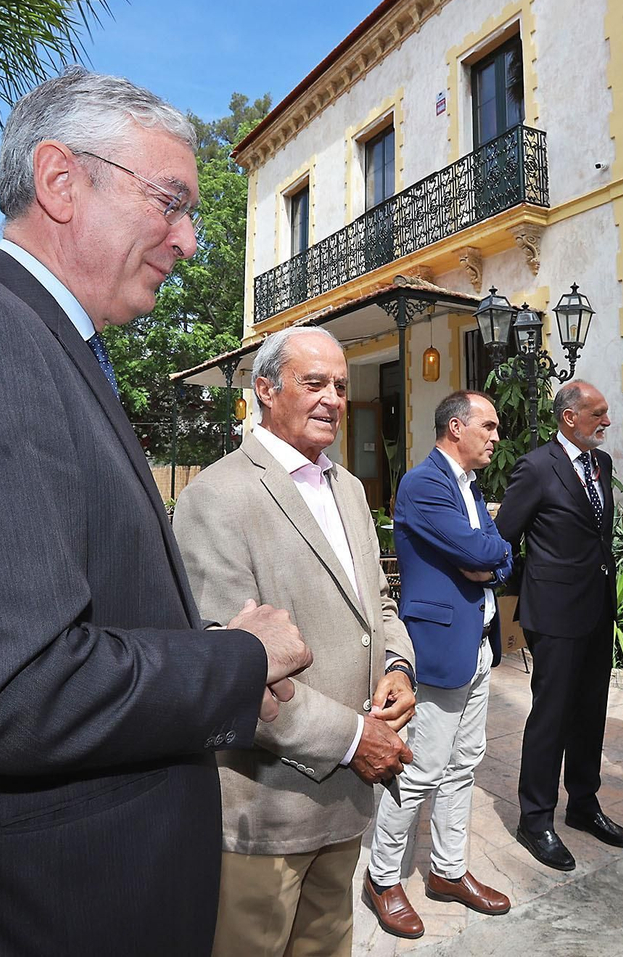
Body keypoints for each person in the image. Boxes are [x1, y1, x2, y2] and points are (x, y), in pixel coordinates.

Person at [0, 69, 312, 955]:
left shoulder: (43, 345)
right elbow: (14, 691)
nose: (190, 239)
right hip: (22, 916)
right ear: (60, 180)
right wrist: (237, 660)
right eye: (171, 202)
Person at [173, 325, 417, 956]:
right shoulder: (216, 496)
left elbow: (377, 602)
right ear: (265, 389)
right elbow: (230, 672)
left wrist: (398, 666)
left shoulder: (349, 488)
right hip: (267, 811)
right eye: (314, 383)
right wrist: (355, 739)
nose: (333, 398)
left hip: (345, 803)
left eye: (340, 385)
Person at [364, 391, 516, 938]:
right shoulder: (423, 484)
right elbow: (480, 553)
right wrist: (489, 557)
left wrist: (491, 560)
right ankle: (383, 877)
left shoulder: (470, 487)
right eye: (488, 426)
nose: (496, 437)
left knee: (464, 763)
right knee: (420, 767)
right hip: (437, 648)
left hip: (477, 645)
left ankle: (448, 872)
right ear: (456, 427)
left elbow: (500, 552)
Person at [495, 380, 623, 872]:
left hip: (597, 609)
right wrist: (519, 596)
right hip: (554, 615)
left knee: (591, 712)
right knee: (551, 716)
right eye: (598, 413)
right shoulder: (535, 467)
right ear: (569, 417)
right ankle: (535, 819)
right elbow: (505, 536)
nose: (607, 421)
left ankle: (584, 804)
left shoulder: (601, 464)